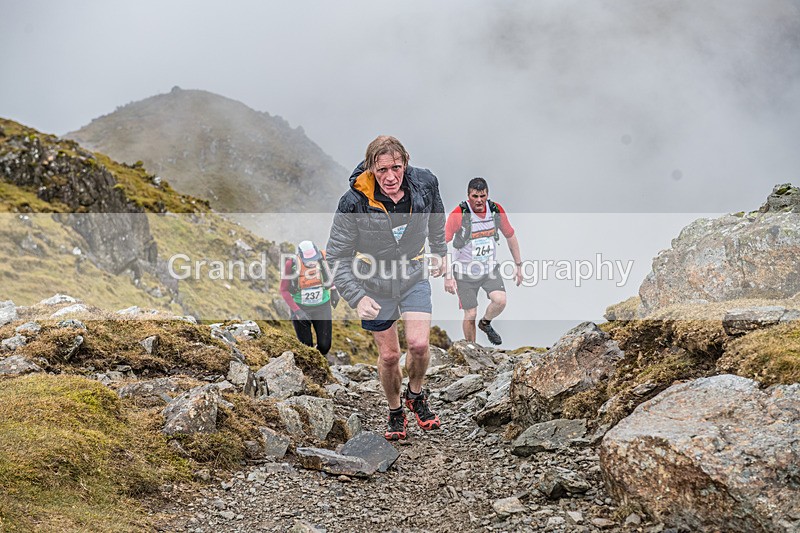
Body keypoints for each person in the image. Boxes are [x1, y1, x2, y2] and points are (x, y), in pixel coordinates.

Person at [327, 135, 447, 440]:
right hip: (373, 283)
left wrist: (440, 252)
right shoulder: (353, 201)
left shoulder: (425, 183)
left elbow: (436, 218)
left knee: (419, 345)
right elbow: (336, 256)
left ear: (405, 163)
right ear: (371, 169)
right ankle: (395, 411)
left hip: (412, 274)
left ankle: (415, 394)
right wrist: (356, 296)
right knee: (391, 356)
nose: (390, 176)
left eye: (396, 167)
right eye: (382, 171)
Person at [444, 177, 522, 345]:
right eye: (475, 196)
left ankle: (485, 323)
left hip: (488, 270)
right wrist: (448, 276)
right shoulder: (459, 214)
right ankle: (471, 350)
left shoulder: (495, 210)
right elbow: (442, 244)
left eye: (482, 196)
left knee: (500, 300)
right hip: (464, 272)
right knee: (470, 313)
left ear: (487, 195)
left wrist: (518, 265)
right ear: (468, 195)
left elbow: (510, 235)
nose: (479, 200)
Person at [280, 240, 339, 356]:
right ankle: (311, 369)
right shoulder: (291, 264)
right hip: (300, 308)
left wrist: (334, 290)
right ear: (300, 257)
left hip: (322, 307)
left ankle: (318, 360)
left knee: (325, 346)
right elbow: (283, 290)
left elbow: (332, 274)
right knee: (306, 348)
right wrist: (297, 311)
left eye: (314, 259)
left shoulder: (324, 258)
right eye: (308, 261)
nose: (312, 263)